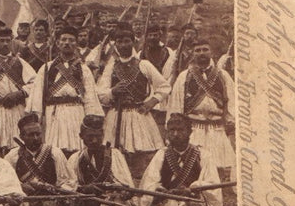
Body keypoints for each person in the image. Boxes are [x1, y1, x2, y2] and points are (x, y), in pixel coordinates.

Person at [133, 113, 227, 206]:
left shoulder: (203, 154)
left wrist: (193, 188)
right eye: (171, 130)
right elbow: (149, 182)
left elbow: (211, 183)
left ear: (189, 131)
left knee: (197, 200)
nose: (175, 134)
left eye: (180, 130)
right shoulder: (161, 154)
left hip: (191, 205)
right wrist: (158, 189)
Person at [97, 26, 170, 179]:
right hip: (116, 114)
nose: (123, 45)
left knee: (139, 154)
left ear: (133, 43)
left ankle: (138, 184)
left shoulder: (144, 65)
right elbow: (101, 93)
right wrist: (113, 91)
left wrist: (151, 102)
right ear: (115, 44)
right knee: (116, 153)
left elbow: (164, 86)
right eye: (119, 42)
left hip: (139, 115)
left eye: (127, 41)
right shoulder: (111, 67)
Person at [4, 112, 75, 206]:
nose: (35, 138)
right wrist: (22, 187)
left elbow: (68, 180)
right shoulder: (13, 156)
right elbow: (5, 182)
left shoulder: (54, 152)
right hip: (25, 197)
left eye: (38, 134)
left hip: (49, 198)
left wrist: (57, 191)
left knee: (50, 205)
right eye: (30, 135)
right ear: (22, 136)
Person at [66, 114, 135, 206]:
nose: (94, 141)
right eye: (90, 137)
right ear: (81, 136)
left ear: (103, 135)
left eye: (98, 136)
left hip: (110, 204)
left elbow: (125, 182)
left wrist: (123, 191)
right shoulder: (76, 158)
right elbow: (68, 186)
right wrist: (84, 189)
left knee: (123, 204)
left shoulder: (114, 155)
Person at [165, 38, 236, 174]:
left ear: (211, 53)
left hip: (217, 129)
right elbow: (175, 106)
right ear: (193, 53)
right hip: (194, 129)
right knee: (193, 168)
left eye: (205, 49)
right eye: (198, 50)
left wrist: (231, 126)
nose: (201, 53)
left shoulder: (223, 75)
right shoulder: (184, 77)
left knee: (219, 168)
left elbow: (231, 102)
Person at [28, 25, 102, 155]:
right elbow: (38, 95)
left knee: (76, 149)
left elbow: (90, 97)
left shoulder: (84, 69)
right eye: (64, 40)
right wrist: (38, 118)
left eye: (71, 40)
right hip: (53, 114)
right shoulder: (46, 68)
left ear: (76, 44)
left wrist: (89, 120)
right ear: (57, 43)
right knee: (53, 151)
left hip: (76, 113)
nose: (67, 43)